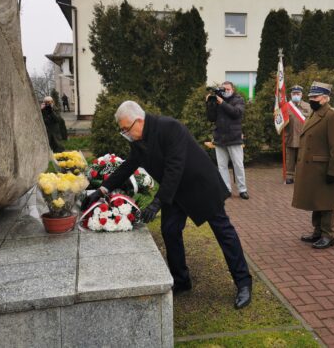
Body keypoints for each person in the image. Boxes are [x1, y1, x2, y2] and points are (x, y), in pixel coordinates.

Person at [85, 101, 253, 308]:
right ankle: (181, 281)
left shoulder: (170, 127)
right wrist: (102, 190)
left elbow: (175, 167)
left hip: (199, 186)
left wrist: (157, 202)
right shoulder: (139, 139)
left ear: (138, 121)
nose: (125, 134)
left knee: (223, 231)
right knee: (170, 231)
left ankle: (244, 282)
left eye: (125, 129)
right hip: (174, 190)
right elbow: (128, 165)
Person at [291, 82, 334, 249]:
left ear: (325, 98)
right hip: (314, 169)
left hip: (325, 168)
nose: (312, 100)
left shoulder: (332, 115)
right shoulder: (314, 113)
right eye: (311, 97)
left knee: (326, 202)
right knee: (316, 201)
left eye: (315, 97)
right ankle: (317, 231)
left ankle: (328, 235)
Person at [207, 81, 249, 200]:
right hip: (220, 137)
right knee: (222, 166)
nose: (225, 91)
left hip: (234, 137)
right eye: (223, 89)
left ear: (232, 89)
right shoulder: (217, 99)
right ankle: (226, 190)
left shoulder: (238, 100)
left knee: (238, 165)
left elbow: (236, 113)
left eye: (227, 89)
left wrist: (222, 103)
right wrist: (209, 103)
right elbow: (211, 118)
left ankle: (242, 189)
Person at [284, 85, 312, 184]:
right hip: (290, 135)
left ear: (301, 95)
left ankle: (302, 176)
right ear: (291, 95)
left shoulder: (308, 106)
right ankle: (289, 176)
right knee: (290, 158)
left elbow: (312, 120)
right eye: (294, 94)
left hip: (303, 136)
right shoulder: (286, 106)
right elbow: (280, 122)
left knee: (303, 158)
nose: (296, 95)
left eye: (298, 94)